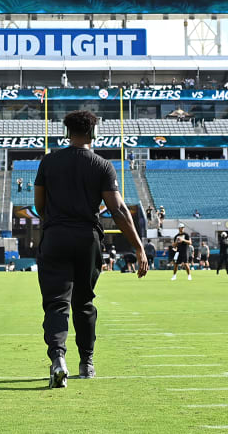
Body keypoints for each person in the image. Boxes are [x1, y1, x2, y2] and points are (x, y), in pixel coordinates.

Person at [33, 109, 146, 388]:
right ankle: (87, 362)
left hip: (56, 236)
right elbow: (118, 210)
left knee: (56, 304)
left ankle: (58, 359)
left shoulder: (49, 162)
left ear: (66, 132)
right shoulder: (102, 165)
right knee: (83, 302)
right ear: (94, 133)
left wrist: (56, 221)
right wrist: (140, 248)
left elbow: (39, 205)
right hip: (87, 239)